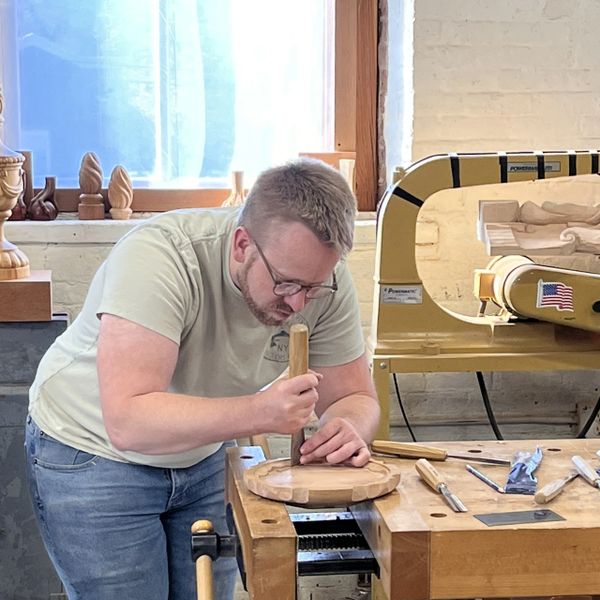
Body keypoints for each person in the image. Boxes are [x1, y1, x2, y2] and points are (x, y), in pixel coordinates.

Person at [25, 157, 381, 600]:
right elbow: (128, 421)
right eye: (286, 283)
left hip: (202, 453)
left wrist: (348, 427)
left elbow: (355, 396)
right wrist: (263, 411)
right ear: (242, 245)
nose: (299, 304)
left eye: (313, 287)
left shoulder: (319, 278)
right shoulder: (160, 257)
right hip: (93, 453)